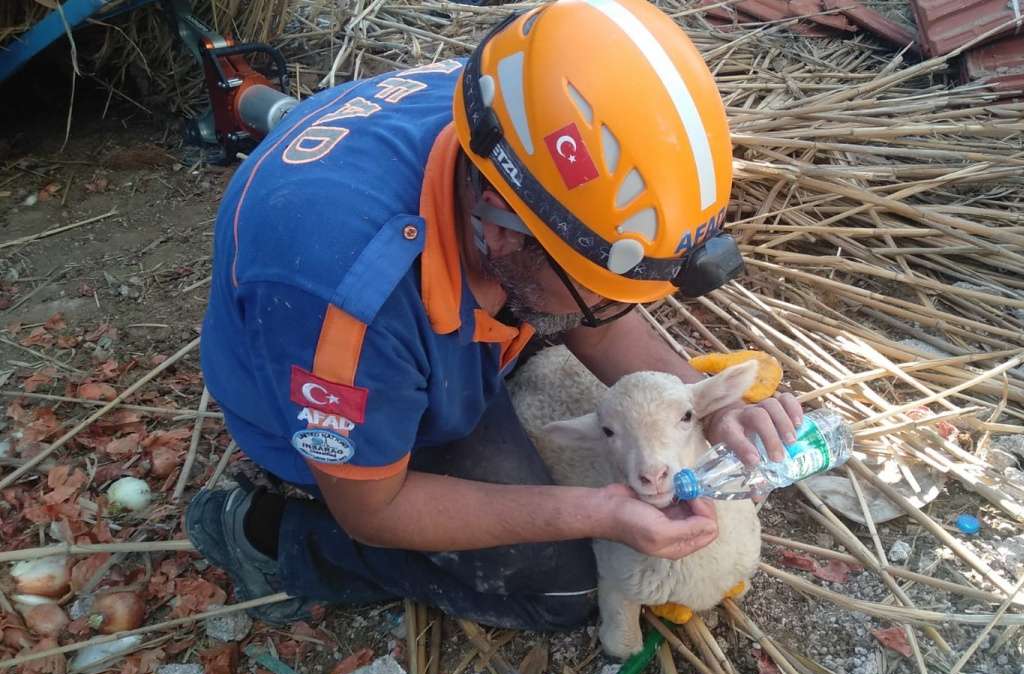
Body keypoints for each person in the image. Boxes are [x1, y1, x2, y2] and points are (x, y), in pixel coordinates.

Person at [185, 0, 804, 632]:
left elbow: (594, 309)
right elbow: (378, 508)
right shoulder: (347, 306)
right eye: (603, 293)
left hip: (474, 305)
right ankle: (267, 534)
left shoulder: (527, 116)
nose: (616, 316)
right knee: (563, 590)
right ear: (502, 231)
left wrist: (709, 404)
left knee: (561, 309)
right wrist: (597, 514)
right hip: (351, 397)